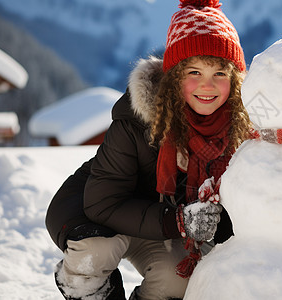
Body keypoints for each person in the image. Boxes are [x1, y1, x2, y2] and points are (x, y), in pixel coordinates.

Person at [45, 0, 250, 299]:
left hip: (163, 222)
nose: (207, 86)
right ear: (173, 77)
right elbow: (103, 204)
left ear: (234, 79)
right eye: (194, 72)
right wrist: (179, 221)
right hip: (96, 211)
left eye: (219, 73)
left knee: (179, 279)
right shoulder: (136, 122)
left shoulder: (242, 129)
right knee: (93, 253)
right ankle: (88, 290)